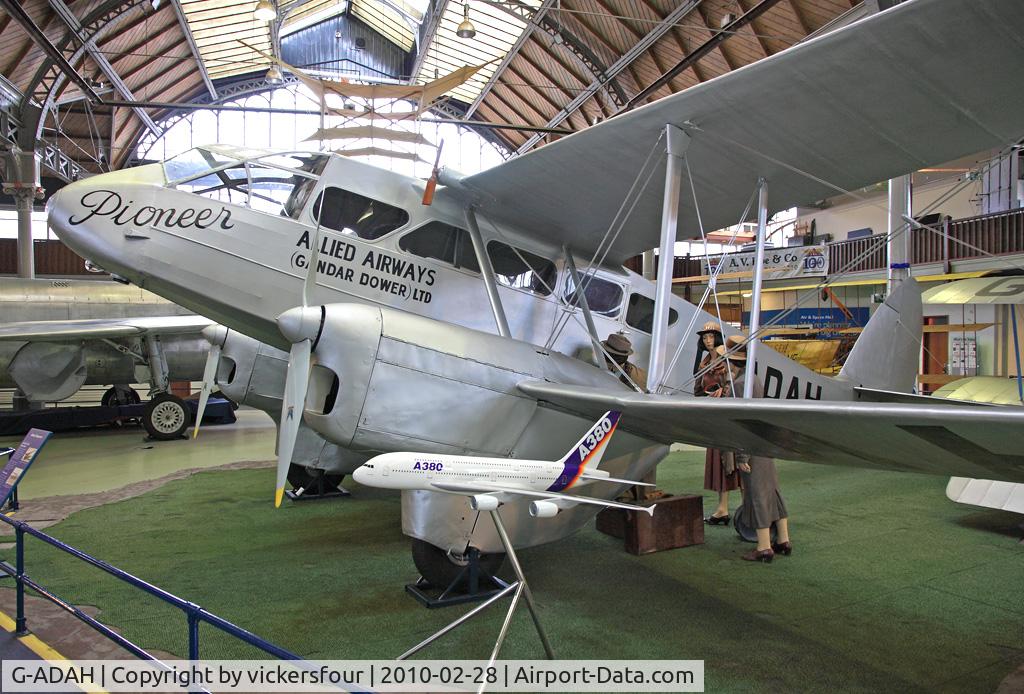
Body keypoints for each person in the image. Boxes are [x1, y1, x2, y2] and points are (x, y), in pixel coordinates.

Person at [717, 338, 792, 563]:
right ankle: (783, 540)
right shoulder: (754, 380)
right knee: (773, 492)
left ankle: (763, 546)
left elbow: (743, 422)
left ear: (733, 362)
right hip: (764, 446)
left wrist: (741, 455)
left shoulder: (740, 385)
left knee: (756, 495)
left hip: (751, 448)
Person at [693, 322, 740, 525]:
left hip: (725, 417)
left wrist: (720, 393)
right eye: (705, 338)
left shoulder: (725, 361)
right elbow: (697, 388)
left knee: (732, 461)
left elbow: (731, 386)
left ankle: (745, 507)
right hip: (713, 415)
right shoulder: (704, 363)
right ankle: (722, 508)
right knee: (719, 463)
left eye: (711, 336)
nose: (708, 340)